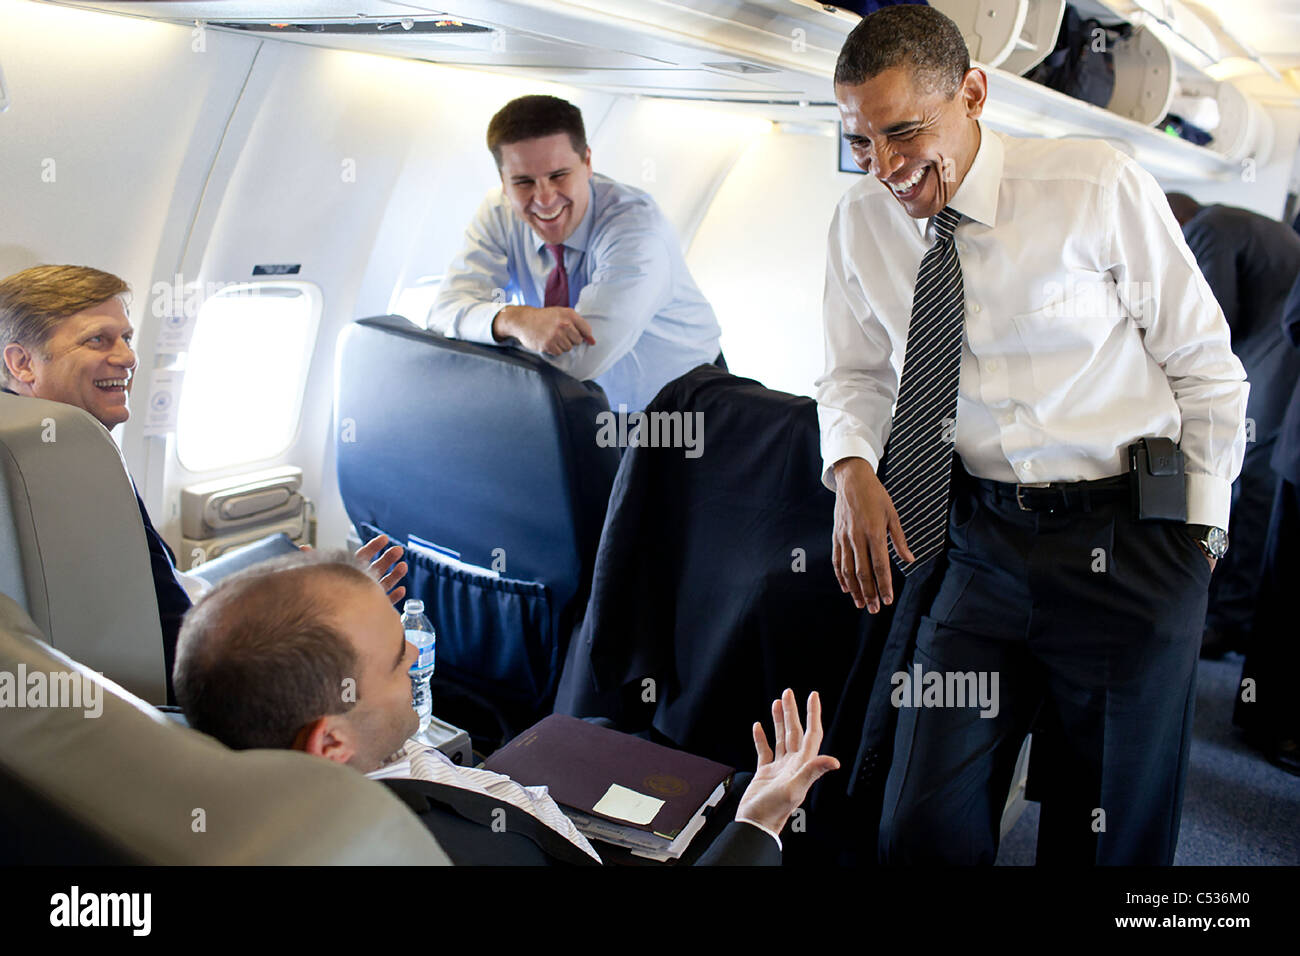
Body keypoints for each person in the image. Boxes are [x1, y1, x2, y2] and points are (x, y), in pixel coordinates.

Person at [817, 6, 1247, 864]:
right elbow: (855, 374)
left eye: (904, 133)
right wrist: (853, 467)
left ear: (972, 94)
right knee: (919, 817)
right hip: (981, 542)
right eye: (862, 143)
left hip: (1131, 537)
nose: (887, 168)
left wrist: (1199, 540)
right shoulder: (858, 223)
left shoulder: (1093, 186)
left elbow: (1205, 367)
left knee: (1107, 826)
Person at [173, 549, 840, 866]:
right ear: (328, 746)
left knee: (602, 728)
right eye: (390, 656)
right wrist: (763, 820)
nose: (413, 654)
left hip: (499, 793)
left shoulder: (237, 741)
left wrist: (339, 609)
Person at [0, 264, 408, 703]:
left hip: (180, 618)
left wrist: (278, 584)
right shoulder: (68, 464)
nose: (128, 358)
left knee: (286, 558)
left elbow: (155, 588)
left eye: (127, 338)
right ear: (22, 362)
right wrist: (320, 610)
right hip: (177, 697)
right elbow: (177, 652)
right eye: (98, 339)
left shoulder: (32, 438)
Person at [430, 94, 723, 412]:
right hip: (591, 403)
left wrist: (482, 329)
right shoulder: (498, 212)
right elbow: (441, 312)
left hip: (684, 402)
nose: (544, 199)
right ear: (503, 181)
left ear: (587, 163)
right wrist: (514, 320)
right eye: (524, 182)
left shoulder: (636, 229)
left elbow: (580, 360)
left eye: (558, 176)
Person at [1165, 193, 1300, 659]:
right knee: (1255, 478)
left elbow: (1208, 327)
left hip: (1279, 347)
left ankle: (1230, 621)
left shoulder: (1206, 230)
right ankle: (1234, 613)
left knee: (1256, 479)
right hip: (1280, 344)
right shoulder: (1236, 219)